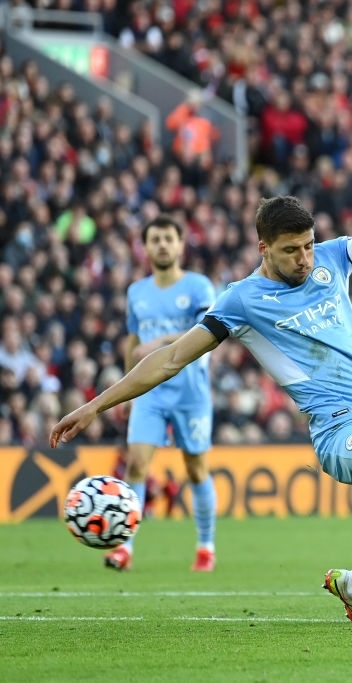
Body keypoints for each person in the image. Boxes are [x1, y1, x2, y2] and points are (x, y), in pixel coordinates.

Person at [50, 145, 352, 622]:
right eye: (292, 251)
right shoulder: (240, 301)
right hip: (337, 428)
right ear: (264, 248)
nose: (305, 259)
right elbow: (170, 358)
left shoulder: (331, 259)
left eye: (308, 246)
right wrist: (96, 404)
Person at [104, 215, 218, 572]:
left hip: (190, 390)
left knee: (196, 470)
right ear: (146, 247)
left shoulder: (199, 286)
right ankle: (125, 548)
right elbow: (133, 343)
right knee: (137, 464)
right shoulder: (136, 292)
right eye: (155, 239)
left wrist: (161, 342)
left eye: (169, 238)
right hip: (150, 393)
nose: (163, 244)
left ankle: (205, 547)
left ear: (181, 244)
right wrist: (125, 390)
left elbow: (207, 330)